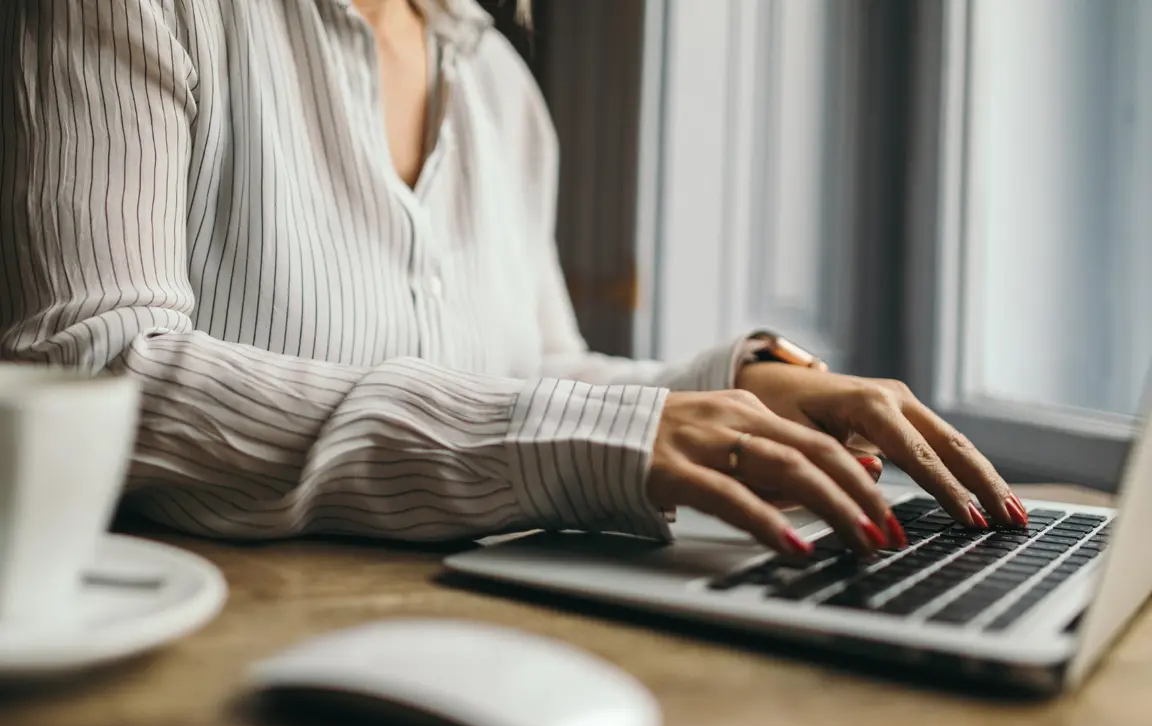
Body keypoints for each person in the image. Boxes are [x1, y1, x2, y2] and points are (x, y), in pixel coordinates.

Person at [0, 0, 1027, 559]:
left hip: (470, 632)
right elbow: (101, 372)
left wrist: (740, 387)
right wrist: (590, 439)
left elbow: (530, 368)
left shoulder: (497, 81)